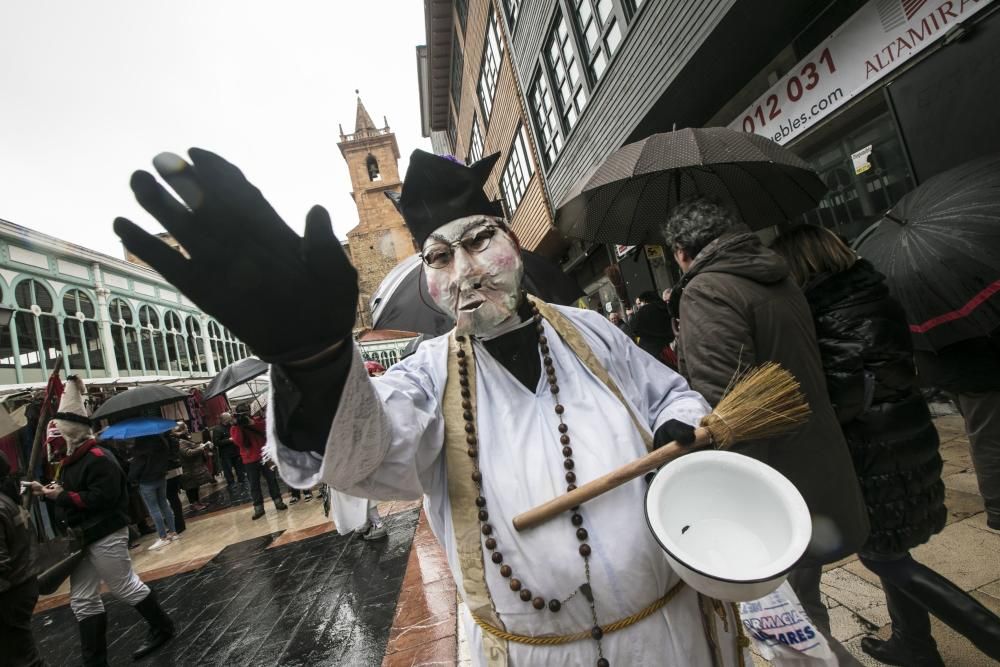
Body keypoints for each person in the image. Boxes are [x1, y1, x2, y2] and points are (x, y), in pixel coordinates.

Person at [115, 148, 748, 666]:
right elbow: (369, 455)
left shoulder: (594, 333)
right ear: (426, 278)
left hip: (669, 638)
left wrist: (676, 427)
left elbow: (672, 392)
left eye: (479, 242)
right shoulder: (423, 377)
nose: (465, 271)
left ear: (515, 243)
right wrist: (316, 361)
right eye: (440, 258)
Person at [771, 224, 1000, 666]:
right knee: (891, 549)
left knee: (884, 558)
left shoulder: (834, 311)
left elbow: (845, 394)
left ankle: (990, 634)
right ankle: (914, 643)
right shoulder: (867, 294)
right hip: (898, 439)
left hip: (874, 453)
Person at [662, 198, 869, 665]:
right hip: (814, 457)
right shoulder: (774, 274)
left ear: (680, 251)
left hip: (770, 479)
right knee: (804, 602)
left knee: (787, 622)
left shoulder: (709, 291)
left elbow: (724, 399)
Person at [31, 376, 174, 665]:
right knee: (82, 599)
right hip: (84, 537)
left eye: (58, 445)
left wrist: (60, 496)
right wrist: (47, 492)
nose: (55, 452)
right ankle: (94, 661)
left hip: (106, 533)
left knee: (124, 586)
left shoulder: (98, 458)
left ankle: (163, 627)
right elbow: (74, 493)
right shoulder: (74, 461)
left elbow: (101, 500)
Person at [914, 335, 1000, 531]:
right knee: (988, 439)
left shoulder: (915, 310)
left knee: (983, 432)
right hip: (977, 371)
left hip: (945, 368)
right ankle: (997, 509)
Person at [0, 450, 43, 667]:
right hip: (23, 581)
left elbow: (1, 563)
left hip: (10, 592)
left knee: (21, 659)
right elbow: (22, 485)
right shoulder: (8, 491)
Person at [227, 411, 287, 520]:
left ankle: (278, 501)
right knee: (254, 485)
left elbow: (266, 430)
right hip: (249, 460)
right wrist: (238, 426)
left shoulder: (257, 420)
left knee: (272, 480)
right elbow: (239, 442)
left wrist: (252, 423)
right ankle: (258, 508)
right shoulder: (234, 428)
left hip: (266, 456)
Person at [128, 434, 178, 550]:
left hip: (146, 481)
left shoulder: (141, 449)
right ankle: (173, 532)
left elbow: (135, 470)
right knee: (164, 504)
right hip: (161, 477)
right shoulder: (161, 442)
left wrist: (132, 477)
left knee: (154, 509)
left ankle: (163, 537)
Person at [173, 423, 213, 512]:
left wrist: (201, 446)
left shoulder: (186, 438)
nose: (187, 429)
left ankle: (198, 502)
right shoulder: (180, 441)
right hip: (188, 468)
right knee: (190, 487)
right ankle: (193, 504)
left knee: (195, 486)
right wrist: (201, 448)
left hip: (193, 467)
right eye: (186, 427)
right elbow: (188, 453)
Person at [630, 290, 676, 368]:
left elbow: (634, 327)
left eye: (640, 303)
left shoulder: (644, 311)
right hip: (669, 349)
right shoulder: (666, 307)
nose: (640, 305)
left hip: (652, 352)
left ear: (645, 301)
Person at [210, 417, 245, 489]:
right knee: (227, 469)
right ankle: (231, 483)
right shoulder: (217, 429)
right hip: (225, 454)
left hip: (236, 451)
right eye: (229, 418)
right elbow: (216, 442)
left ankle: (242, 480)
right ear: (224, 419)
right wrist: (229, 440)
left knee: (239, 467)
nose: (230, 419)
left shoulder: (232, 426)